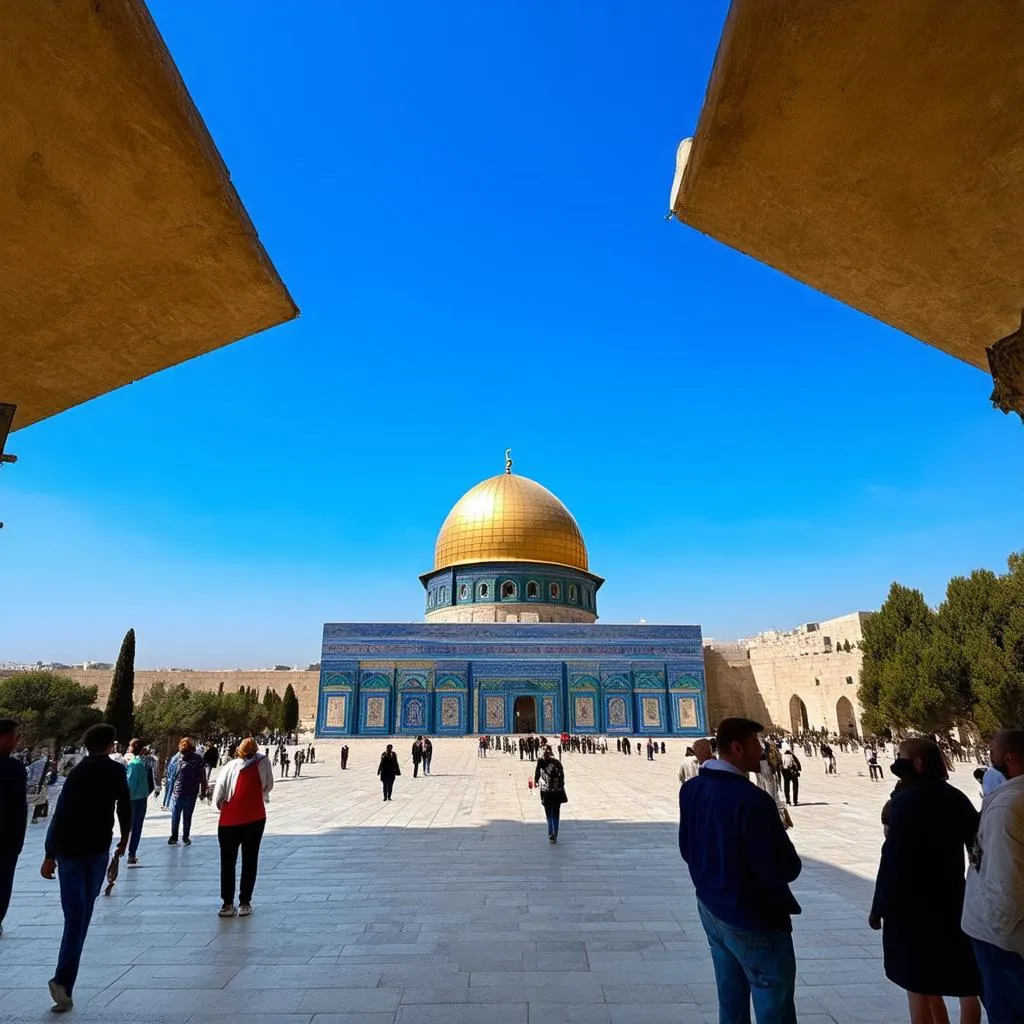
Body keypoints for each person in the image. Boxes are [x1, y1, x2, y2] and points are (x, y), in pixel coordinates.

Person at [679, 717, 801, 1024]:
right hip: (752, 918)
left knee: (731, 1000)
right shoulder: (753, 800)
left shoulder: (691, 789)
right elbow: (786, 866)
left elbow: (686, 850)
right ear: (737, 748)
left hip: (711, 909)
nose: (761, 752)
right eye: (756, 744)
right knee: (774, 1002)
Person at [869, 738, 982, 1024]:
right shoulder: (956, 798)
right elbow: (979, 848)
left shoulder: (904, 803)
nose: (897, 761)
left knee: (918, 985)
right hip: (953, 900)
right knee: (965, 981)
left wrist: (879, 906)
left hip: (913, 910)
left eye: (901, 756)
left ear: (917, 763)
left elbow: (893, 860)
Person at [41, 723, 130, 1013]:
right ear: (110, 745)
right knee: (81, 915)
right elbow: (124, 807)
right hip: (95, 852)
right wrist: (124, 840)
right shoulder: (116, 771)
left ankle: (64, 982)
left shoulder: (77, 773)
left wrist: (50, 853)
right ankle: (64, 981)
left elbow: (61, 812)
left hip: (70, 851)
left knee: (77, 916)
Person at [962, 729, 1024, 1021]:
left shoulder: (1005, 806)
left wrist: (997, 934)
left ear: (1008, 758)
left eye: (993, 754)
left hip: (1004, 944)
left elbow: (1004, 879)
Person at [212, 737, 274, 918]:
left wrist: (222, 806)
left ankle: (227, 903)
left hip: (228, 821)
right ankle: (245, 902)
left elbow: (218, 796)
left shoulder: (229, 767)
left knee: (227, 863)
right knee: (250, 860)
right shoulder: (263, 762)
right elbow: (269, 785)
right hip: (255, 818)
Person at [0, 719, 27, 937]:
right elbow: (18, 808)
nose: (16, 741)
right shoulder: (13, 769)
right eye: (13, 736)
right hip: (5, 839)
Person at [168, 737, 207, 846]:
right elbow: (203, 776)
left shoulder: (176, 758)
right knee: (187, 816)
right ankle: (186, 837)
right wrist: (203, 791)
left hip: (178, 792)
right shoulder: (198, 759)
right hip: (192, 791)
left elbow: (171, 776)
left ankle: (174, 837)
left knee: (175, 815)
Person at [124, 738, 155, 866]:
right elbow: (151, 782)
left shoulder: (133, 764)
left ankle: (122, 849)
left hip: (132, 799)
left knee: (127, 826)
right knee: (137, 826)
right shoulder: (145, 763)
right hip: (142, 798)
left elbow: (130, 782)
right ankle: (132, 853)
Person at [535, 746, 567, 843]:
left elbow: (537, 775)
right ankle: (555, 834)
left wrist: (537, 783)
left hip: (546, 793)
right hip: (557, 792)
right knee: (556, 813)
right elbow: (562, 778)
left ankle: (550, 834)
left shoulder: (540, 762)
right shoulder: (557, 763)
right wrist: (559, 785)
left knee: (548, 814)